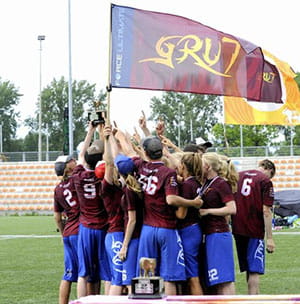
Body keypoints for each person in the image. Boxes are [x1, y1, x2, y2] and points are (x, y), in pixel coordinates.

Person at [133, 136, 203, 295]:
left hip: (148, 228)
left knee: (147, 274)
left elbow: (131, 152)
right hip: (166, 229)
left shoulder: (141, 167)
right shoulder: (169, 172)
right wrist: (193, 203)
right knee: (169, 276)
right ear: (161, 153)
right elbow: (170, 199)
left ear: (145, 152)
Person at [73, 122, 110, 298]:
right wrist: (105, 136)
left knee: (83, 273)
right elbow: (108, 161)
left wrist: (91, 131)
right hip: (103, 227)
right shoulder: (105, 178)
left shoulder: (78, 176)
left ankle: (81, 302)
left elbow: (81, 154)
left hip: (86, 227)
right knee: (107, 273)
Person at [231, 159, 276, 295]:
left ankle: (254, 296)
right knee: (255, 270)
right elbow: (266, 210)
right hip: (254, 228)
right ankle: (253, 299)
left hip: (237, 227)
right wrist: (269, 238)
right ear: (269, 170)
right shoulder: (265, 181)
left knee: (249, 269)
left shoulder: (239, 175)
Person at [199, 152, 237, 295]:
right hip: (210, 234)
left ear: (207, 166)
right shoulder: (207, 183)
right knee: (216, 279)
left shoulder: (221, 183)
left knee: (224, 279)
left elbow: (231, 208)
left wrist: (208, 211)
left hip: (218, 233)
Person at [176, 152, 204, 295]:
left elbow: (181, 214)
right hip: (195, 228)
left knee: (192, 276)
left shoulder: (187, 186)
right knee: (192, 273)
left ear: (183, 166)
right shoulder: (196, 182)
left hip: (187, 230)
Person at [53, 155, 78, 304]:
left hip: (68, 232)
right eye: (71, 160)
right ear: (68, 167)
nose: (74, 160)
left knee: (68, 274)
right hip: (80, 230)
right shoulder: (76, 181)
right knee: (85, 274)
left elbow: (57, 218)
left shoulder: (57, 189)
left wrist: (63, 234)